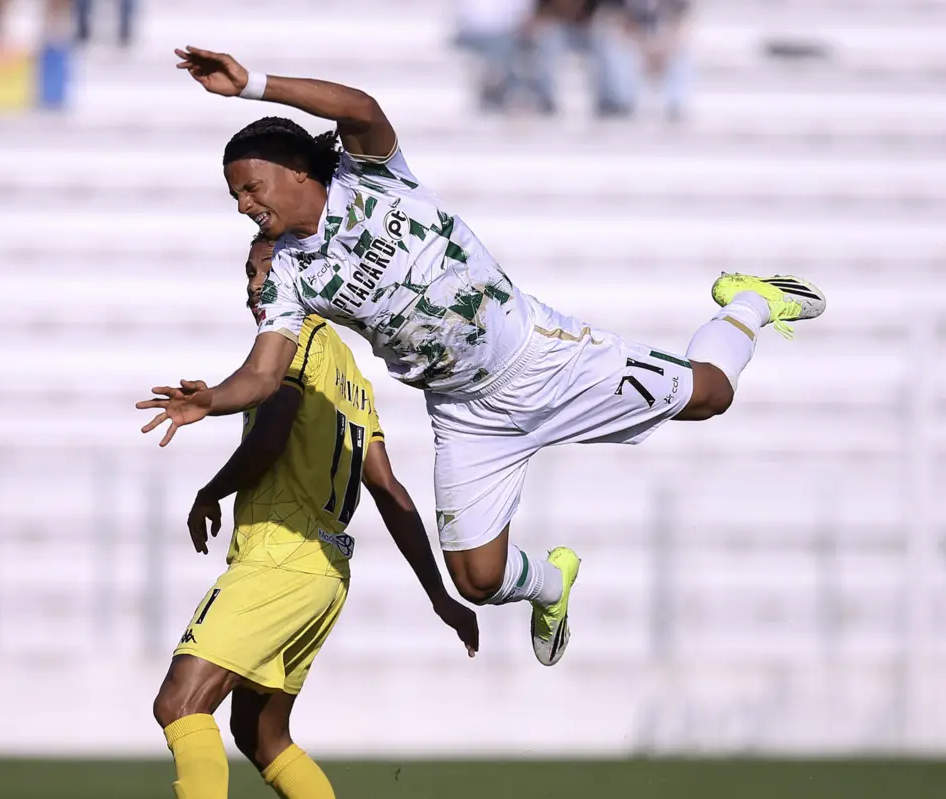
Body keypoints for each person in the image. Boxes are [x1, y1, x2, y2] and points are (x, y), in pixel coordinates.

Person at [138, 47, 826, 668]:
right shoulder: (288, 274)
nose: (243, 205)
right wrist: (210, 399)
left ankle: (746, 303)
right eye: (234, 196)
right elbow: (263, 374)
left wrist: (252, 85)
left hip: (539, 358)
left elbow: (361, 107)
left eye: (250, 187)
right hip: (467, 414)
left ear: (295, 172)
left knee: (712, 395)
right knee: (477, 577)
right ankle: (553, 582)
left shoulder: (370, 176)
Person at [152, 236, 478, 799]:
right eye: (249, 272)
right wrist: (439, 595)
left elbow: (275, 429)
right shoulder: (353, 376)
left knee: (179, 703)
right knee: (262, 736)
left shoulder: (293, 340)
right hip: (326, 572)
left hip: (280, 555)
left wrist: (212, 491)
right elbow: (389, 489)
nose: (255, 285)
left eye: (267, 271)